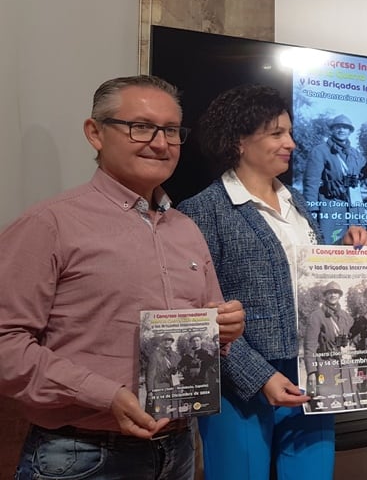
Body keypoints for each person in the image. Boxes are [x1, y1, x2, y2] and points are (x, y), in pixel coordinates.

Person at [0, 75, 245, 480]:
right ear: (95, 133)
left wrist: (223, 327)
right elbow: (6, 344)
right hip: (82, 454)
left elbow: (209, 330)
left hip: (179, 447)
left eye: (171, 130)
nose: (160, 142)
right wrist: (105, 395)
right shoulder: (49, 224)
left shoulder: (187, 228)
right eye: (141, 127)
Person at [177, 84, 367, 480]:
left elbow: (293, 275)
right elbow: (199, 313)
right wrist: (259, 376)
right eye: (277, 133)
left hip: (310, 372)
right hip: (241, 386)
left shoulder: (296, 202)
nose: (292, 144)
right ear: (239, 141)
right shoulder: (201, 211)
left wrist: (341, 252)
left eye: (290, 133)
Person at [302, 114, 366, 243]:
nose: (341, 130)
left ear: (350, 131)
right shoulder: (320, 151)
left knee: (356, 248)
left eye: (345, 127)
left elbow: (363, 176)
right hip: (331, 205)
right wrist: (312, 209)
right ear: (332, 130)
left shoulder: (356, 154)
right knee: (331, 247)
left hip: (354, 208)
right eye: (338, 127)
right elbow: (311, 182)